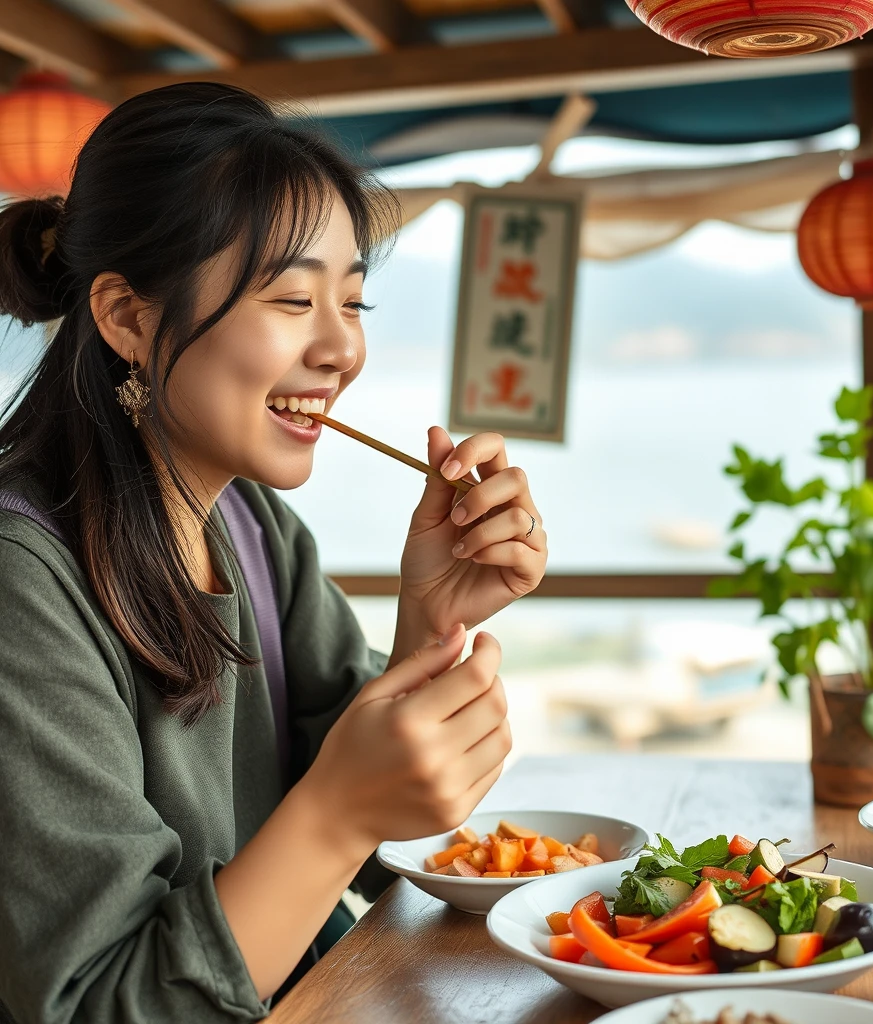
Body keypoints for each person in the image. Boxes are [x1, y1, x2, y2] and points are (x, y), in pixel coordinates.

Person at [0, 83, 547, 1023]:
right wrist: (339, 810)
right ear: (127, 317)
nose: (342, 348)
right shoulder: (22, 580)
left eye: (353, 300)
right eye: (293, 298)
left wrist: (433, 621)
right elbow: (99, 1004)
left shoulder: (252, 528)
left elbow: (395, 841)